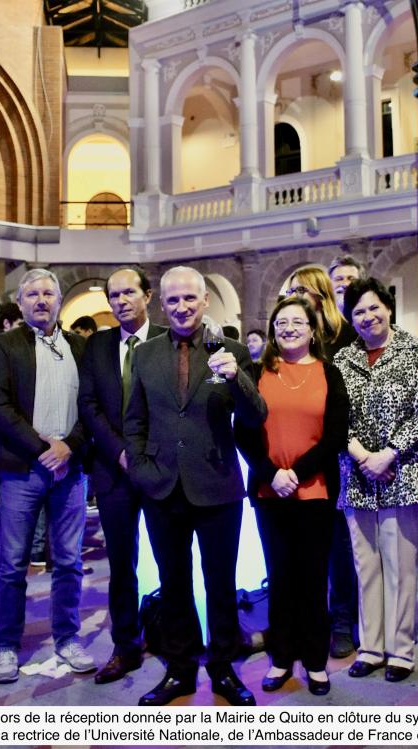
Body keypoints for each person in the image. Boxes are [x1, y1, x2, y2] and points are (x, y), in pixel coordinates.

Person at [124, 265, 266, 706]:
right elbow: (135, 421)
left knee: (220, 582)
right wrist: (144, 470)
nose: (182, 307)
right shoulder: (144, 354)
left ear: (205, 301)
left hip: (217, 484)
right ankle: (180, 670)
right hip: (162, 487)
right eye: (173, 300)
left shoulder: (232, 351)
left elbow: (255, 416)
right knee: (174, 581)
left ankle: (224, 668)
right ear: (161, 305)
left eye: (190, 299)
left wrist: (235, 377)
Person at [0, 268, 94, 683]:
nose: (41, 300)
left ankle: (67, 638)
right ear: (20, 301)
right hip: (22, 470)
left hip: (71, 470)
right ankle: (7, 647)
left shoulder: (81, 349)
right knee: (13, 564)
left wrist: (70, 447)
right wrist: (43, 448)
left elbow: (92, 407)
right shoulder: (4, 346)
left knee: (68, 561)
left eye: (48, 293)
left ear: (60, 299)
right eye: (32, 294)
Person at [235, 297, 348, 696]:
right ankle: (282, 658)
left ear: (313, 330)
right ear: (272, 330)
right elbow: (244, 433)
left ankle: (316, 661)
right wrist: (271, 474)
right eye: (281, 322)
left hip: (314, 491)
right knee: (280, 578)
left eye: (297, 322)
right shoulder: (256, 372)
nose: (288, 328)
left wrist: (295, 474)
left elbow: (334, 436)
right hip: (269, 492)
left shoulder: (329, 373)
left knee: (314, 579)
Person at [336, 277, 418, 683]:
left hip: (404, 471)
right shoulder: (343, 360)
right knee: (367, 568)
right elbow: (334, 414)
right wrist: (362, 454)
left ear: (389, 309)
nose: (367, 317)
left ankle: (400, 650)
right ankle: (371, 647)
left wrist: (389, 453)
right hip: (357, 474)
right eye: (358, 311)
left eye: (373, 308)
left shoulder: (416, 353)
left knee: (400, 566)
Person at [78, 267, 166, 684]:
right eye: (113, 295)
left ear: (147, 295)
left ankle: (176, 639)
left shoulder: (169, 339)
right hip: (113, 470)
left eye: (129, 292)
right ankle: (125, 645)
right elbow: (89, 405)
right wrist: (120, 452)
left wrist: (146, 455)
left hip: (162, 469)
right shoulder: (96, 344)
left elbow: (175, 405)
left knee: (173, 560)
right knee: (121, 565)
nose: (120, 301)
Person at [285, 264, 358, 657]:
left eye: (302, 290)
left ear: (321, 295)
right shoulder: (293, 338)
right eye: (290, 289)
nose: (294, 295)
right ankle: (304, 619)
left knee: (339, 547)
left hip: (342, 458)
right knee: (306, 549)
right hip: (303, 457)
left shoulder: (345, 339)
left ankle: (343, 619)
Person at [0, 301, 46, 568]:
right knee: (11, 558)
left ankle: (37, 550)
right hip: (8, 448)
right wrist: (41, 445)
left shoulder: (55, 347)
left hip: (40, 451)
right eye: (21, 325)